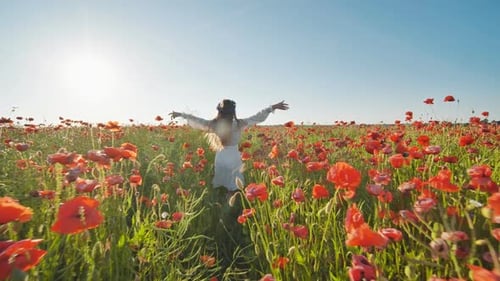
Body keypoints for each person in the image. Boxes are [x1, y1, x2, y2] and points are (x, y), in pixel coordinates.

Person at [169, 99, 289, 192]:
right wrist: (272, 107)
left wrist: (181, 114)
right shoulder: (238, 124)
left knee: (223, 183)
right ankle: (230, 205)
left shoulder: (213, 124)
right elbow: (256, 117)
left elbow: (198, 121)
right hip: (234, 158)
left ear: (219, 112)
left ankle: (223, 207)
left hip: (220, 157)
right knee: (233, 186)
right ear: (233, 112)